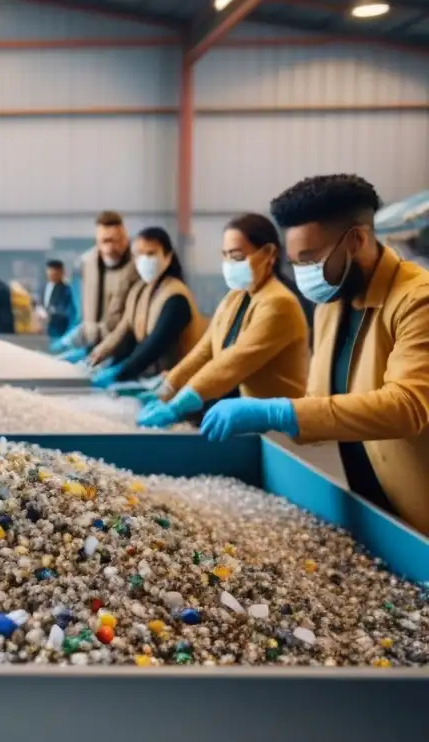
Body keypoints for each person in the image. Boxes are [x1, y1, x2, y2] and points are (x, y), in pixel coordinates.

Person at [202, 174, 429, 536]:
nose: (304, 273)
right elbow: (323, 400)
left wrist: (279, 410)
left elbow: (407, 406)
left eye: (310, 258)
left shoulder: (417, 300)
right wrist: (280, 416)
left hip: (418, 513)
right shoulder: (331, 303)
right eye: (296, 262)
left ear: (356, 239)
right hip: (370, 505)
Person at [137, 214, 310, 428]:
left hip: (276, 426)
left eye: (236, 256)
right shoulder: (235, 297)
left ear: (268, 253)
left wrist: (179, 404)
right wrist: (167, 388)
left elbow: (232, 363)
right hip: (247, 419)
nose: (229, 263)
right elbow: (205, 350)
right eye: (225, 256)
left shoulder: (279, 304)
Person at [87, 226, 205, 387]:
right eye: (138, 255)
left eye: (150, 254)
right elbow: (125, 329)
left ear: (168, 256)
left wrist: (121, 372)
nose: (143, 260)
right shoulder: (141, 289)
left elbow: (154, 345)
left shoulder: (176, 297)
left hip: (177, 382)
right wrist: (100, 353)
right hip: (153, 379)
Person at [52, 211, 139, 358]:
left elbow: (130, 320)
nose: (111, 248)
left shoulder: (137, 267)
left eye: (117, 241)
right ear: (97, 241)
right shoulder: (87, 264)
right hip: (91, 347)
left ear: (125, 238)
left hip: (127, 349)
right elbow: (80, 310)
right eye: (106, 241)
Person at [41, 259, 75, 339]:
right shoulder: (43, 287)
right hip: (42, 331)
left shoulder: (66, 290)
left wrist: (49, 313)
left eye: (55, 272)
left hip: (59, 330)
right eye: (50, 271)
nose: (52, 274)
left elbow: (66, 310)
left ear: (61, 272)